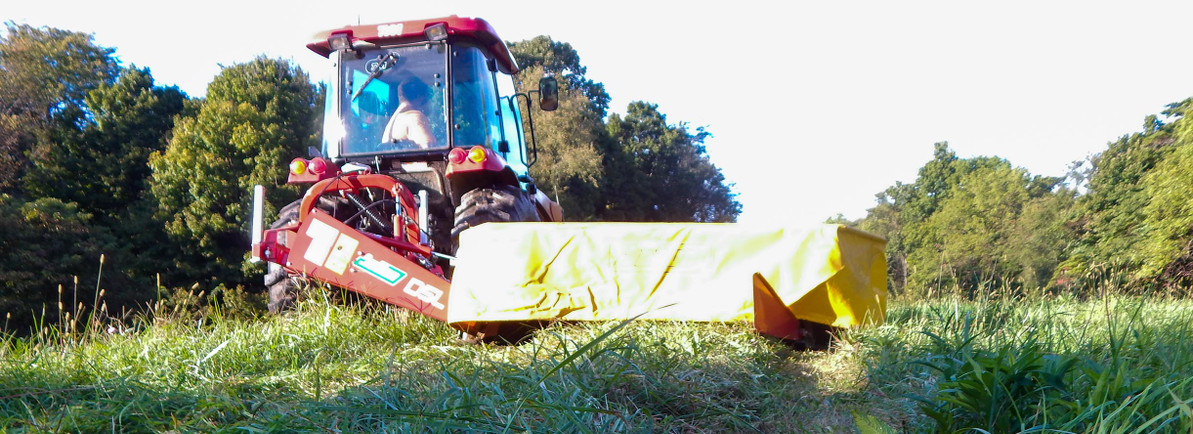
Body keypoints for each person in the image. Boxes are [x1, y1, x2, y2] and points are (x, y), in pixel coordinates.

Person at [382, 78, 436, 148]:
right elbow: (429, 148)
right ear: (421, 97)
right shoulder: (414, 118)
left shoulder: (396, 120)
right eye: (428, 97)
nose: (429, 102)